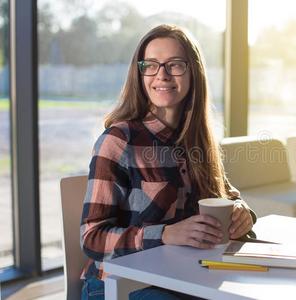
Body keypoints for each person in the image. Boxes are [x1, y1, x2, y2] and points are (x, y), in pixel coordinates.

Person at [80, 24, 257, 300]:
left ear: (193, 72)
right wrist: (164, 234)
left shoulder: (198, 139)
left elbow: (228, 196)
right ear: (140, 74)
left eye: (174, 65)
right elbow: (92, 238)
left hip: (183, 277)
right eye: (150, 65)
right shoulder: (118, 140)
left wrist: (243, 213)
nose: (161, 75)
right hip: (116, 285)